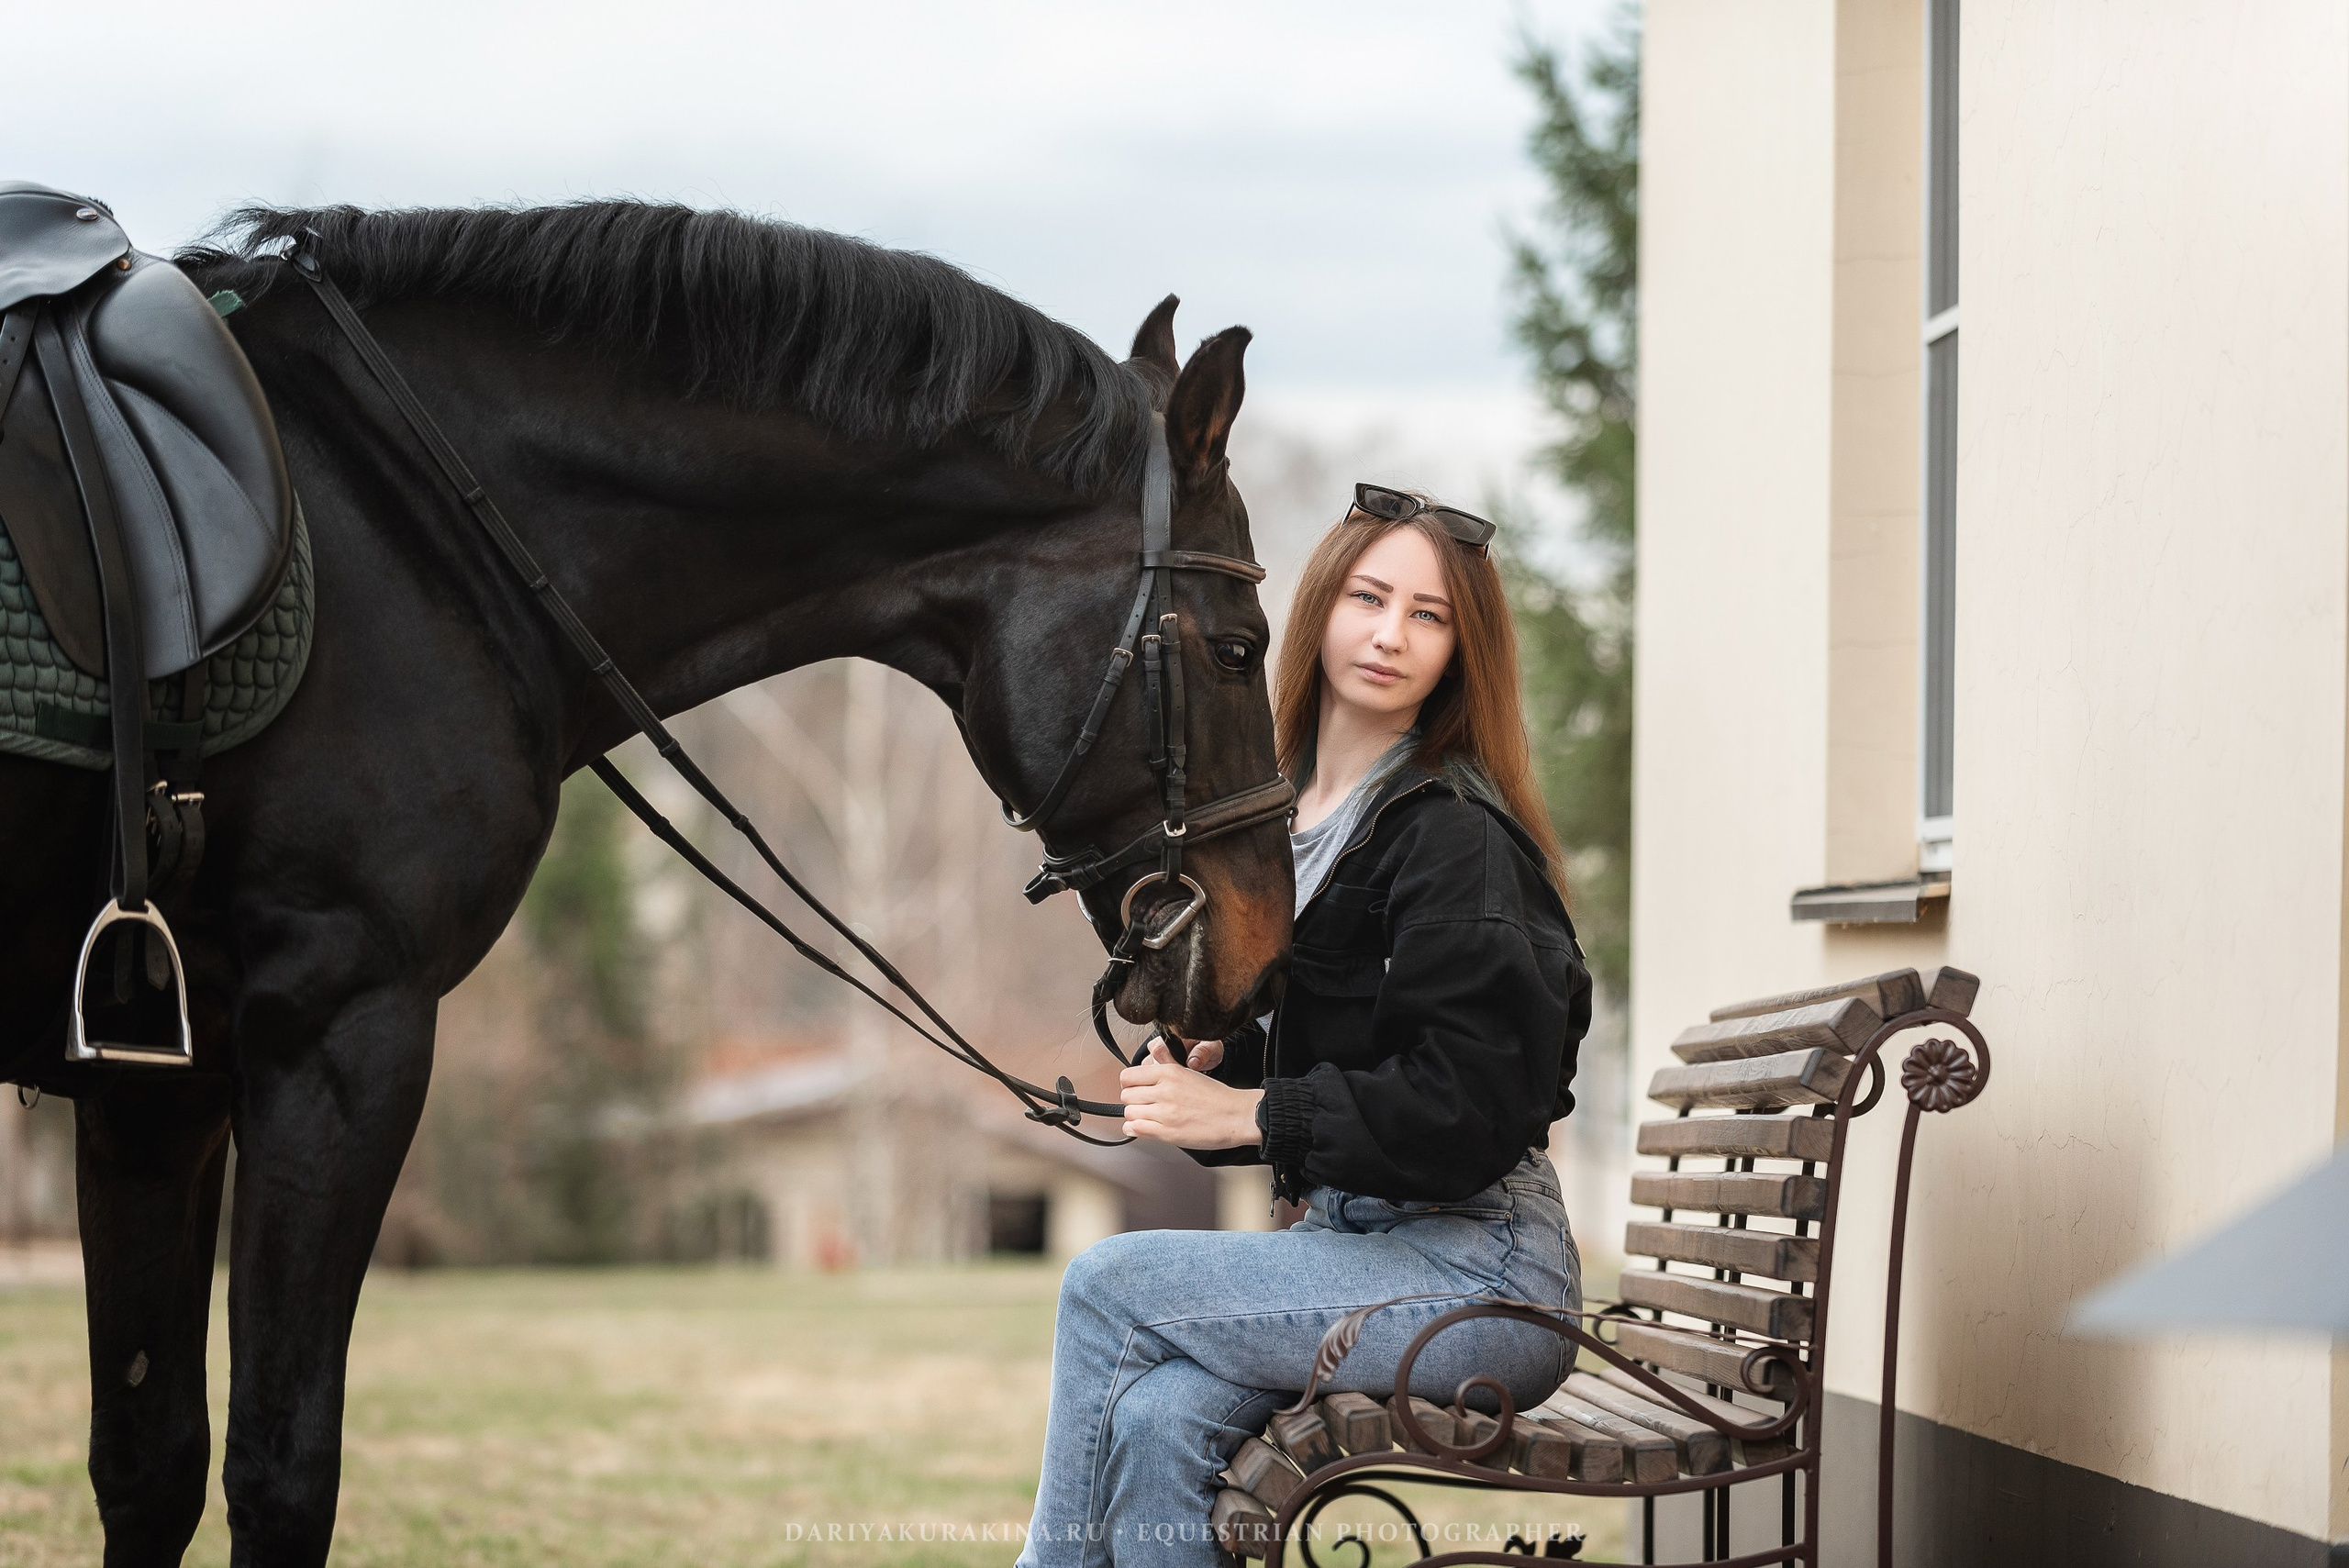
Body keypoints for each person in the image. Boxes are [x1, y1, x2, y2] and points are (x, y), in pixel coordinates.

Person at [1015, 486, 1594, 1568]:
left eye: (1428, 614)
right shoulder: (1290, 824)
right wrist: (1216, 1063)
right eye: (1370, 596)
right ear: (1320, 605)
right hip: (1360, 1254)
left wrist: (1249, 1107)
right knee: (1155, 1417)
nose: (1389, 633)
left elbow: (1471, 1101)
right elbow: (1338, 1058)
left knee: (1107, 1281)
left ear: (1463, 648)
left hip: (1485, 1276)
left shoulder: (1454, 836)